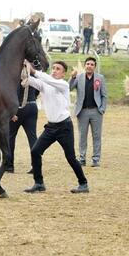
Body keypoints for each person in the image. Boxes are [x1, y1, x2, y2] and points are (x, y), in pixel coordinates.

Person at [23, 61, 89, 193]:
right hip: (50, 128)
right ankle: (39, 183)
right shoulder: (45, 84)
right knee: (35, 151)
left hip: (64, 127)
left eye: (58, 69)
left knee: (70, 157)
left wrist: (34, 71)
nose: (54, 70)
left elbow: (43, 77)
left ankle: (83, 184)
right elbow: (29, 80)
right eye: (53, 68)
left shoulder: (63, 85)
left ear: (63, 74)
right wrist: (23, 68)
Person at [69, 57, 107, 168]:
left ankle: (96, 159)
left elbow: (104, 95)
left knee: (97, 136)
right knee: (82, 136)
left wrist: (102, 109)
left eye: (92, 64)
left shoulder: (100, 78)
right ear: (85, 65)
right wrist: (71, 78)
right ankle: (82, 158)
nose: (89, 66)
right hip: (82, 111)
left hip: (96, 111)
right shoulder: (79, 77)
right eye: (87, 64)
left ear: (95, 67)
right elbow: (69, 88)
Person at [6, 77, 39, 174]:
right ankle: (36, 165)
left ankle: (9, 166)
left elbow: (13, 93)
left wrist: (12, 111)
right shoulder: (32, 76)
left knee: (10, 137)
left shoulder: (15, 75)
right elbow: (37, 90)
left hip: (18, 107)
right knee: (32, 137)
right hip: (32, 105)